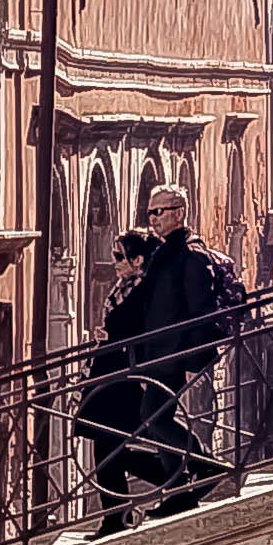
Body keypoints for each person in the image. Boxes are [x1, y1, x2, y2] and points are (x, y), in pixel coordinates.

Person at [91, 179, 244, 522]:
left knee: (154, 417)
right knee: (156, 418)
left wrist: (193, 359)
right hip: (158, 353)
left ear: (179, 213)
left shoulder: (190, 254)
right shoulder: (166, 252)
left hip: (172, 354)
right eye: (150, 212)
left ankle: (203, 471)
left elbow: (202, 310)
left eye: (160, 211)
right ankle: (181, 491)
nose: (153, 218)